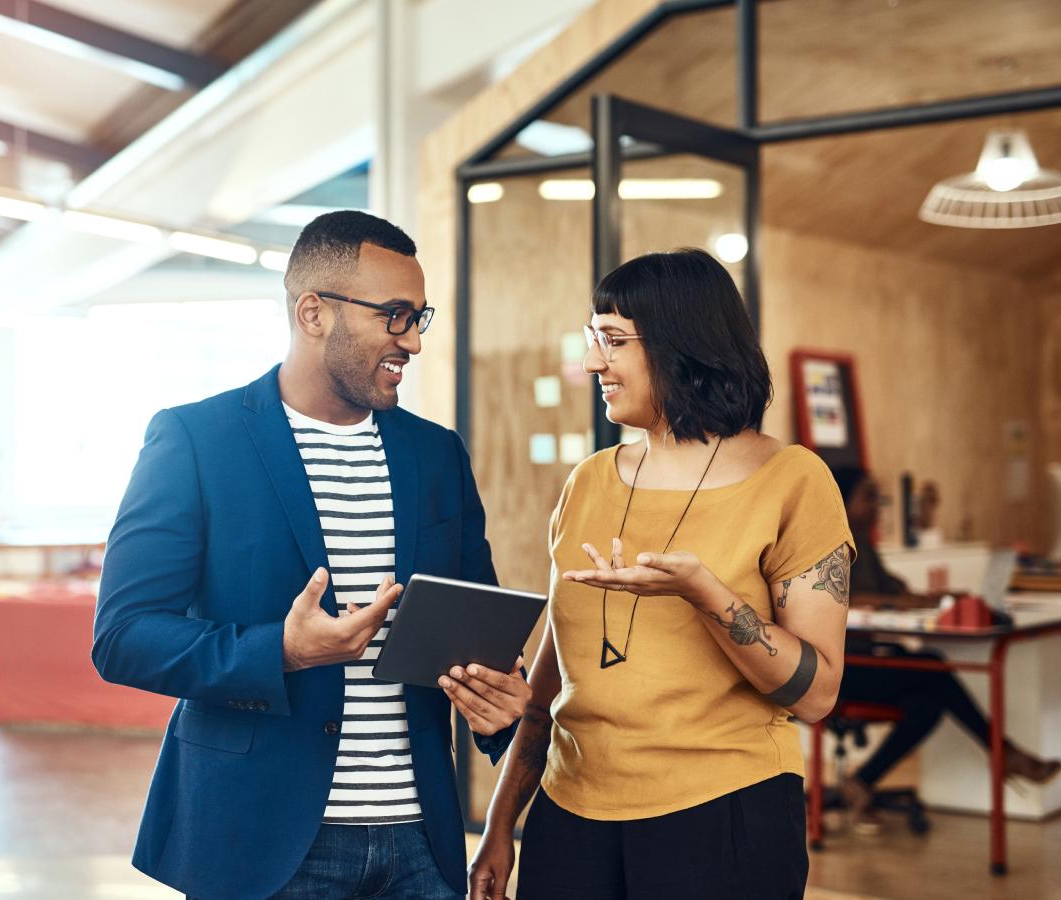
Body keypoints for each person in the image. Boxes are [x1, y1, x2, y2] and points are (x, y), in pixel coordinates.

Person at [93, 211, 530, 900]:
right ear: (313, 313)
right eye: (395, 316)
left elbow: (479, 634)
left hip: (421, 845)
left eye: (420, 317)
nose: (412, 341)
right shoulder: (196, 441)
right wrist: (283, 651)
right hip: (261, 842)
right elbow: (123, 637)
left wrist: (501, 704)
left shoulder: (436, 453)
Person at [468, 249, 853, 900]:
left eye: (612, 341)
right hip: (572, 817)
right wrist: (500, 825)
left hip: (725, 813)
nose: (594, 362)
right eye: (594, 340)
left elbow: (816, 695)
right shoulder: (586, 481)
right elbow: (553, 677)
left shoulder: (793, 481)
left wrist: (703, 593)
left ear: (681, 346)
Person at [830, 466, 1061, 832]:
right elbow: (842, 599)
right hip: (841, 670)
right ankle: (1004, 752)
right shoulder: (829, 543)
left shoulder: (865, 544)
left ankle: (861, 782)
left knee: (928, 703)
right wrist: (893, 604)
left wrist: (936, 598)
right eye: (868, 496)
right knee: (933, 666)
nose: (878, 505)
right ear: (841, 500)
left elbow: (896, 591)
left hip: (870, 658)